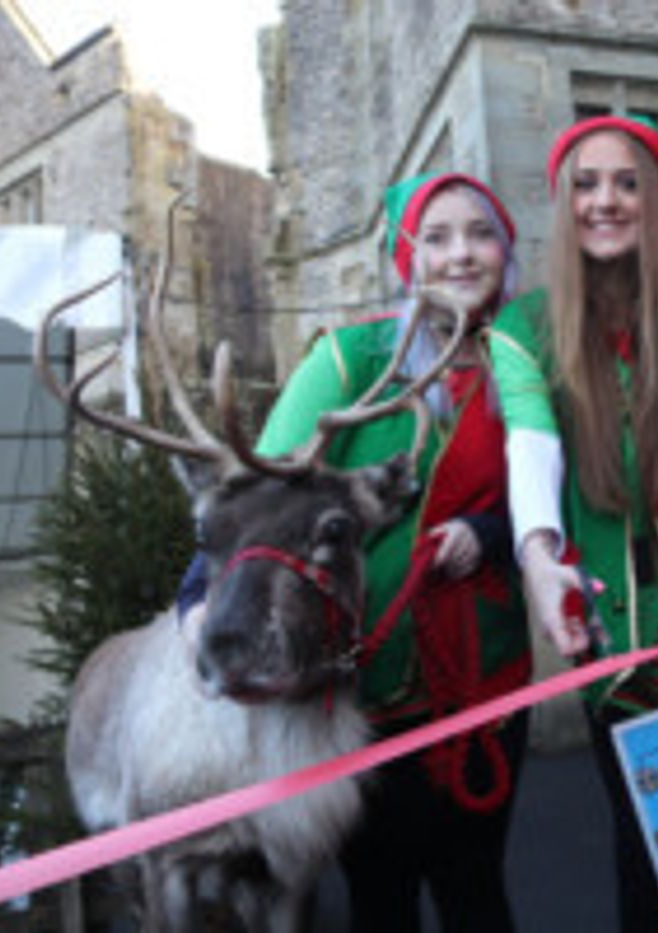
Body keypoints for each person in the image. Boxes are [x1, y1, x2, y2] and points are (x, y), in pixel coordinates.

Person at [178, 171, 532, 931]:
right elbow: (257, 495)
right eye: (437, 238)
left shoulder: (526, 364)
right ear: (409, 260)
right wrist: (197, 595)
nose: (461, 254)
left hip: (484, 678)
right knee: (380, 899)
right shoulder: (349, 360)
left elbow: (552, 499)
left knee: (478, 891)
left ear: (507, 253)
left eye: (481, 235)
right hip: (364, 693)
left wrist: (491, 534)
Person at [487, 114, 658, 932]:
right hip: (614, 629)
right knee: (643, 845)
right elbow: (531, 444)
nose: (604, 201)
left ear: (656, 200)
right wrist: (538, 554)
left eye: (625, 183)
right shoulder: (525, 327)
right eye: (585, 184)